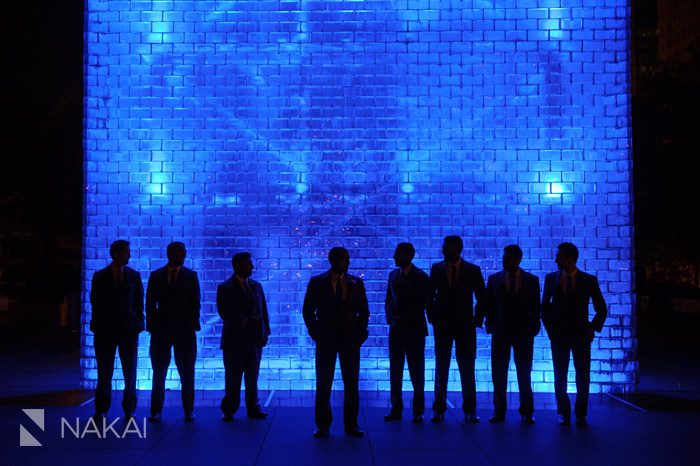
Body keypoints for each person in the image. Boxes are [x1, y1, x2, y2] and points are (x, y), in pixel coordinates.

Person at [302, 247, 370, 438]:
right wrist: (316, 333)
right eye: (345, 259)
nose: (348, 263)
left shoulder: (356, 283)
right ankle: (323, 424)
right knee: (324, 383)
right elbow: (307, 311)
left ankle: (351, 424)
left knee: (351, 384)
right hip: (327, 340)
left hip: (350, 340)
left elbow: (364, 311)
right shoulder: (317, 282)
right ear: (334, 260)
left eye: (347, 259)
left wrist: (360, 334)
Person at [542, 242, 607, 427]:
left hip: (580, 336)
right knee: (560, 376)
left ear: (569, 258)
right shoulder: (550, 279)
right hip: (559, 335)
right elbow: (544, 307)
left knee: (582, 376)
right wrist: (551, 330)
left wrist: (591, 328)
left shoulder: (588, 280)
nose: (556, 260)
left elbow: (601, 308)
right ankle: (564, 412)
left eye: (559, 256)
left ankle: (580, 414)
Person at [428, 235, 486, 423]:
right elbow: (429, 296)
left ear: (456, 249)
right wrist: (433, 318)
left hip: (463, 326)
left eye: (445, 247)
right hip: (445, 325)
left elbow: (482, 297)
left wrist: (476, 321)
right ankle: (441, 408)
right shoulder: (437, 269)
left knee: (466, 367)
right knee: (443, 367)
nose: (443, 250)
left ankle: (468, 409)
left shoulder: (472, 270)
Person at [485, 244, 540, 424]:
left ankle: (526, 410)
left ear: (517, 259)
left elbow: (536, 307)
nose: (504, 261)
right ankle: (499, 410)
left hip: (523, 333)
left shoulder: (531, 280)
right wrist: (491, 323)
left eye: (507, 258)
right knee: (499, 373)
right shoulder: (494, 280)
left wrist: (533, 327)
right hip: (501, 332)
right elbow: (489, 304)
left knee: (524, 373)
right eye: (504, 258)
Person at [146, 241, 201, 422]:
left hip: (183, 331)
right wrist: (153, 326)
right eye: (181, 253)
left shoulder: (191, 276)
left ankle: (188, 410)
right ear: (171, 254)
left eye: (184, 253)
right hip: (162, 331)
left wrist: (191, 324)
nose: (184, 256)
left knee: (187, 372)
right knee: (159, 371)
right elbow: (150, 304)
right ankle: (156, 410)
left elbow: (195, 303)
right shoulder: (156, 276)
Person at [89, 239, 144, 420]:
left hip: (128, 330)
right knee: (104, 372)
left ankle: (129, 407)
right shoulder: (100, 276)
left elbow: (138, 303)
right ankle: (102, 408)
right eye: (127, 252)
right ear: (116, 254)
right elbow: (95, 302)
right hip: (106, 330)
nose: (130, 255)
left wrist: (138, 324)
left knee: (130, 371)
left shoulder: (134, 276)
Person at [218, 252, 271, 421]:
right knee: (233, 377)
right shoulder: (225, 287)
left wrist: (265, 332)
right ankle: (230, 409)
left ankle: (253, 407)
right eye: (248, 264)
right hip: (234, 341)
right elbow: (224, 312)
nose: (252, 267)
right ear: (238, 266)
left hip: (254, 339)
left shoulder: (257, 286)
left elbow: (263, 311)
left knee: (252, 376)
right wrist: (245, 321)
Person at [384, 242, 430, 423]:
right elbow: (388, 300)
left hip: (414, 330)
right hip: (396, 329)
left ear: (406, 255)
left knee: (416, 371)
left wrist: (397, 318)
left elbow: (421, 304)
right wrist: (391, 318)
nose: (394, 257)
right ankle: (396, 408)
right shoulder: (393, 275)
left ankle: (418, 410)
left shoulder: (421, 277)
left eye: (397, 253)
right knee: (396, 370)